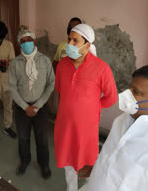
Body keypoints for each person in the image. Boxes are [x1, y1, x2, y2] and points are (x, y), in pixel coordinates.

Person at [54, 23, 117, 191]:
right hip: (65, 126)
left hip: (86, 129)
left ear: (87, 45)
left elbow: (111, 97)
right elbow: (61, 90)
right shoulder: (62, 65)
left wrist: (92, 107)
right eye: (69, 39)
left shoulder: (101, 68)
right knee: (68, 164)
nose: (70, 44)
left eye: (76, 40)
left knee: (88, 165)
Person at [9, 27, 55, 179]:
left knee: (42, 138)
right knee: (23, 137)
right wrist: (25, 106)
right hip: (22, 108)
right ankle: (25, 161)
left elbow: (51, 84)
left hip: (40, 107)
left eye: (29, 40)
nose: (26, 43)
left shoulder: (45, 60)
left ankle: (44, 164)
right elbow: (12, 87)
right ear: (19, 44)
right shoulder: (15, 63)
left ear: (34, 41)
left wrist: (38, 105)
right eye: (22, 41)